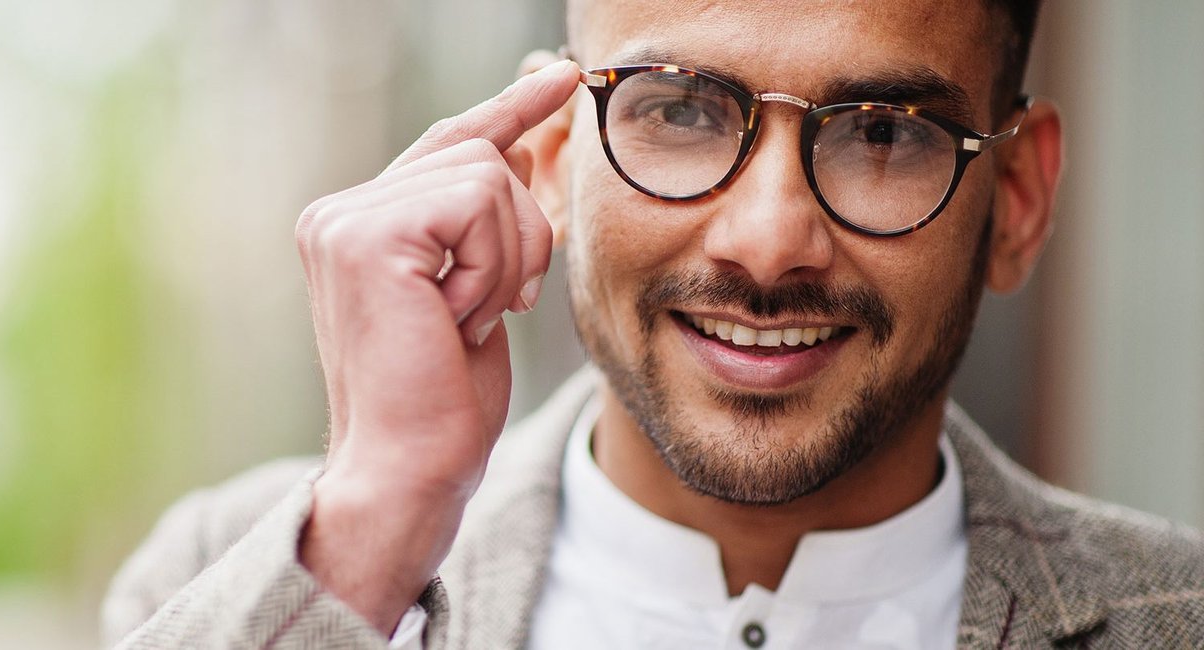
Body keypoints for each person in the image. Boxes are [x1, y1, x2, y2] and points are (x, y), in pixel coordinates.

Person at [102, 0, 1204, 647]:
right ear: (548, 160)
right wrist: (374, 523)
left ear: (1016, 200)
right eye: (680, 110)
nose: (770, 242)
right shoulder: (252, 569)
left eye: (881, 132)